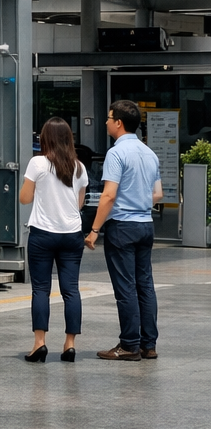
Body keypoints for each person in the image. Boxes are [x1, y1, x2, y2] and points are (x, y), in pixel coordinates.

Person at [84, 99, 163, 361]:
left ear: (118, 123)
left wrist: (94, 229)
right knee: (145, 285)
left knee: (126, 287)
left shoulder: (116, 154)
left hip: (123, 227)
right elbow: (157, 194)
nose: (106, 122)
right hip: (145, 225)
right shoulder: (149, 153)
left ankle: (128, 344)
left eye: (108, 118)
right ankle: (147, 344)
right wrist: (138, 201)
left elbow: (108, 196)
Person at [19, 117, 89, 362]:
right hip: (72, 235)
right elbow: (78, 203)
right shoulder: (79, 167)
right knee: (71, 290)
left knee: (41, 289)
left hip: (43, 234)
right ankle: (69, 344)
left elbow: (24, 199)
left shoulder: (37, 163)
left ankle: (39, 343)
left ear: (45, 138)